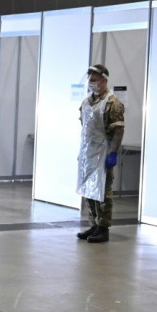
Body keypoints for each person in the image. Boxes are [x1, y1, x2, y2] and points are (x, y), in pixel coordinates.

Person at [76, 64, 125, 244]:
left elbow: (118, 131)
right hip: (89, 152)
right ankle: (94, 224)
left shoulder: (113, 103)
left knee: (103, 192)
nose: (91, 83)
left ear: (104, 81)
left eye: (95, 80)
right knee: (89, 189)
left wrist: (112, 153)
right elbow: (85, 126)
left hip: (104, 152)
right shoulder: (88, 101)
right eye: (90, 80)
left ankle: (103, 228)